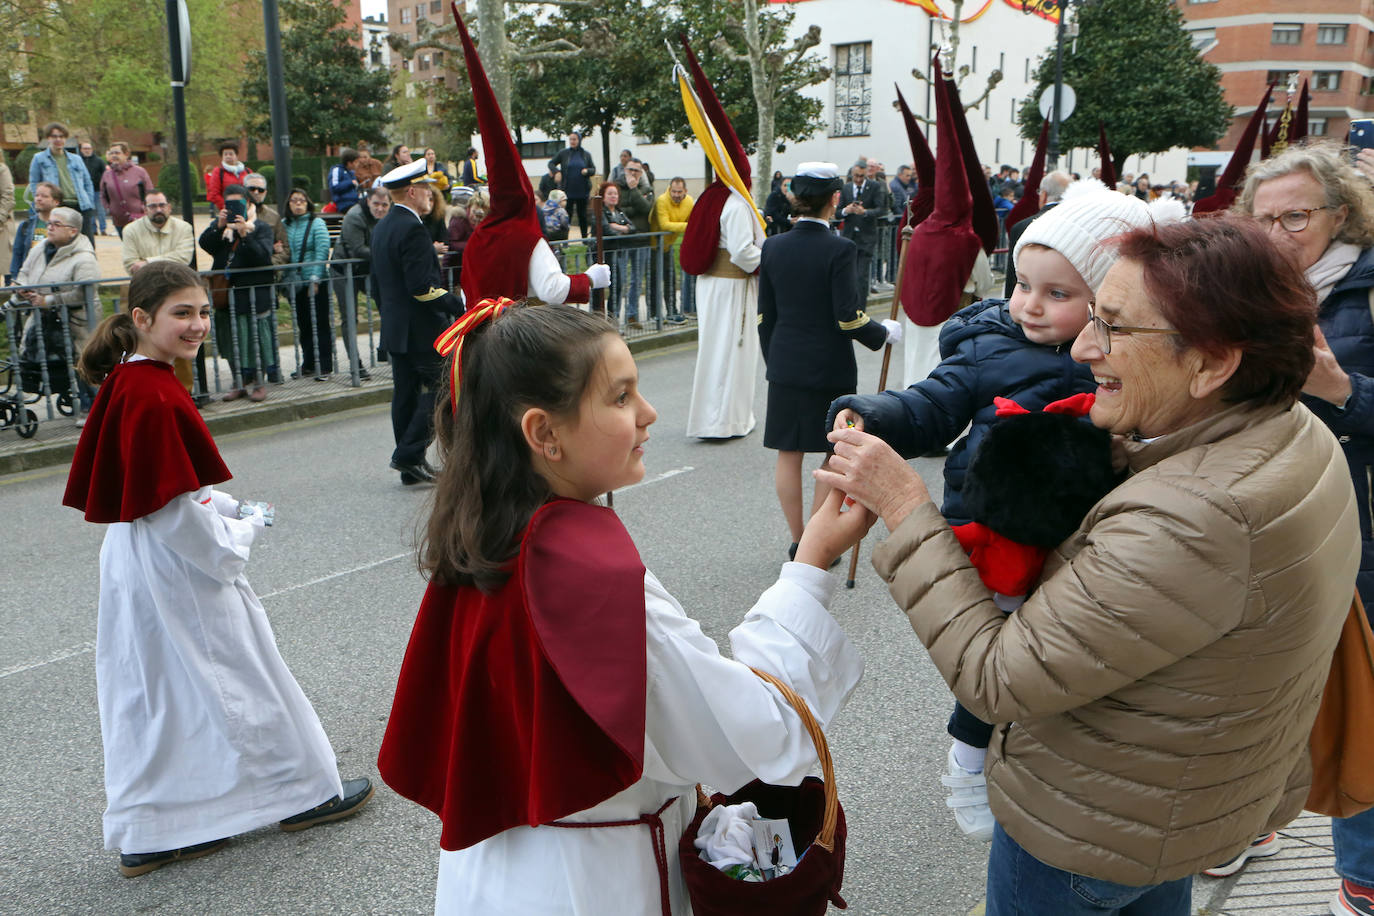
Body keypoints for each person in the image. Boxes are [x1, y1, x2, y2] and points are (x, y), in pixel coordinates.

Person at [821, 214, 1360, 915]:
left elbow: (997, 677)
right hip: (1175, 803)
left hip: (1088, 824)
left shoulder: (1193, 516)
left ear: (1213, 363)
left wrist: (904, 506)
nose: (1083, 347)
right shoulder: (1294, 430)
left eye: (1113, 327)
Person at [376, 298, 871, 914]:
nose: (648, 413)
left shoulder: (481, 539)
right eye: (619, 397)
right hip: (596, 884)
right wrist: (809, 565)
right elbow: (753, 734)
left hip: (495, 877)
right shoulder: (591, 581)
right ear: (543, 433)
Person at [829, 187, 1173, 842]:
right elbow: (931, 404)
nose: (1030, 306)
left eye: (1057, 294)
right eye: (1022, 285)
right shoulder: (986, 348)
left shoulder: (1122, 356)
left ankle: (1039, 749)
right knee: (1004, 651)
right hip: (994, 524)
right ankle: (968, 755)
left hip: (1079, 531)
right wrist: (877, 415)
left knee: (1071, 650)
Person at [61, 261, 373, 878]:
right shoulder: (150, 391)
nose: (198, 324)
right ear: (143, 319)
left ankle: (155, 830)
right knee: (241, 673)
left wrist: (236, 506)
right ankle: (303, 793)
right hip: (176, 562)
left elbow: (171, 489)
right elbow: (180, 514)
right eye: (182, 313)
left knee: (158, 694)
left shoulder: (133, 378)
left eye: (203, 312)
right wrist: (244, 528)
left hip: (140, 555)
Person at [1236, 141, 1374, 914]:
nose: (1278, 234)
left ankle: (1362, 881)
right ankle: (1242, 830)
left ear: (1341, 215)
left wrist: (1342, 387)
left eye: (1296, 216)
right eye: (1264, 220)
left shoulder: (1367, 292)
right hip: (1261, 523)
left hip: (1356, 530)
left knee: (1362, 701)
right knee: (1255, 692)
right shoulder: (1245, 287)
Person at [758, 163, 899, 558]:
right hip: (828, 365)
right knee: (831, 452)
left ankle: (797, 537)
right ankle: (817, 543)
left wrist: (777, 360)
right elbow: (847, 316)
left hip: (785, 363)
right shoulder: (840, 248)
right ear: (835, 199)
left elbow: (764, 318)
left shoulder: (773, 246)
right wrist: (882, 332)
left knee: (789, 452)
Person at [371, 160, 465, 485]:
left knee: (406, 394)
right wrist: (460, 305)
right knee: (446, 388)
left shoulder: (383, 226)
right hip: (421, 329)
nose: (431, 194)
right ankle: (409, 454)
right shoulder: (412, 229)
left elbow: (377, 285)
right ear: (412, 191)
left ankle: (409, 467)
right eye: (427, 188)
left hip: (397, 328)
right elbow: (422, 289)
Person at [199, 183, 278, 401]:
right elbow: (205, 244)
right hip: (227, 295)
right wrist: (219, 225)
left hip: (254, 293)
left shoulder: (259, 228)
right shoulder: (222, 229)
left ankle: (259, 384)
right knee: (231, 340)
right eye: (229, 204)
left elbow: (262, 257)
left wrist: (245, 234)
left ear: (249, 203)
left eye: (239, 203)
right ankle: (239, 382)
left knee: (255, 339)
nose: (234, 209)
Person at [331, 183, 389, 381]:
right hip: (343, 270)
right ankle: (355, 364)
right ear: (368, 201)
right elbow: (358, 249)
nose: (380, 208)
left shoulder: (387, 217)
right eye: (376, 204)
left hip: (367, 270)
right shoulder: (354, 216)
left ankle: (389, 351)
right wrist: (389, 253)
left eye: (384, 205)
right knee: (350, 317)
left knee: (388, 305)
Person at [281, 187, 334, 380]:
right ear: (288, 204)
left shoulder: (316, 223)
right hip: (295, 283)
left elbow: (321, 250)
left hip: (315, 280)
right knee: (303, 324)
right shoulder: (284, 224)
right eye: (294, 200)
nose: (298, 204)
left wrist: (315, 278)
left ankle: (325, 365)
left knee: (320, 323)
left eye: (302, 200)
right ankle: (309, 363)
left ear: (308, 203)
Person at [1002, 170, 1070, 298]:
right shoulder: (1081, 227)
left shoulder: (1022, 227)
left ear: (1043, 195)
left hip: (1028, 300)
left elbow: (1013, 277)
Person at [27, 122, 96, 245]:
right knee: (60, 243)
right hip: (57, 206)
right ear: (48, 138)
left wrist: (89, 201)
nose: (58, 139)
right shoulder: (39, 159)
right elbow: (34, 184)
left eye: (62, 136)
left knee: (86, 243)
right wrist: (42, 200)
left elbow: (87, 183)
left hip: (80, 206)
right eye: (54, 136)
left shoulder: (76, 159)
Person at [615, 159, 653, 327]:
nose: (634, 173)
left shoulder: (646, 188)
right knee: (619, 279)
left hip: (641, 240)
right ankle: (614, 316)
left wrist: (633, 190)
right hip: (622, 241)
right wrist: (633, 207)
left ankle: (632, 315)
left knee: (636, 281)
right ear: (625, 170)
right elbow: (618, 210)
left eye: (637, 171)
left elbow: (646, 209)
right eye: (631, 170)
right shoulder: (615, 187)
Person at [650, 177, 694, 320]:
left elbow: (692, 220)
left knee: (670, 279)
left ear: (685, 191)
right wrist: (688, 227)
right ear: (669, 189)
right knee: (654, 280)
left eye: (679, 192)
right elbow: (665, 225)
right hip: (652, 245)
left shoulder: (689, 201)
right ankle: (654, 314)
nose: (675, 194)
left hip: (668, 245)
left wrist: (689, 226)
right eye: (673, 191)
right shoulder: (662, 200)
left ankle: (672, 311)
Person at [120, 190, 194, 274]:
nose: (158, 210)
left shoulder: (184, 228)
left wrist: (147, 262)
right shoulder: (131, 230)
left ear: (169, 208)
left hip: (177, 280)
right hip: (146, 282)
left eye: (162, 205)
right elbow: (131, 266)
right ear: (145, 210)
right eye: (153, 206)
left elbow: (183, 258)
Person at [838, 164, 882, 301]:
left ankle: (861, 309)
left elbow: (881, 209)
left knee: (861, 276)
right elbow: (838, 212)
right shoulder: (846, 188)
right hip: (849, 237)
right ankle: (848, 307)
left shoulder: (874, 186)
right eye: (855, 176)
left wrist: (865, 212)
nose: (858, 179)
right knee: (848, 275)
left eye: (861, 176)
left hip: (866, 238)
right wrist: (847, 210)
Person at [99, 142, 153, 239]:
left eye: (117, 153)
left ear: (126, 154)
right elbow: (103, 194)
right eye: (112, 153)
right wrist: (109, 209)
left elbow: (149, 192)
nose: (114, 156)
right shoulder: (107, 175)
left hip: (140, 219)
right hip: (119, 220)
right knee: (128, 249)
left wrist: (144, 208)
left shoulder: (139, 172)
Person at [10, 181, 61, 280]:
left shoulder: (64, 226)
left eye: (44, 196)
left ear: (56, 202)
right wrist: (15, 278)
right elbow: (17, 254)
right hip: (30, 278)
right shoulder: (25, 226)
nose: (38, 199)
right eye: (37, 195)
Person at [599, 182, 634, 325]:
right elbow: (607, 230)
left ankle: (613, 319)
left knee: (618, 286)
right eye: (610, 194)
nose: (613, 197)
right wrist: (621, 229)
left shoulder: (619, 212)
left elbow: (633, 227)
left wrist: (618, 227)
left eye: (615, 194)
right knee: (599, 289)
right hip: (602, 255)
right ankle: (598, 320)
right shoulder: (600, 211)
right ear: (603, 197)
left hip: (616, 255)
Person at [548, 131, 596, 236]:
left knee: (582, 216)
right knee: (566, 215)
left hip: (582, 191)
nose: (572, 141)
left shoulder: (585, 154)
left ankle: (584, 239)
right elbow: (551, 163)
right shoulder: (564, 153)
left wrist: (587, 171)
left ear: (579, 140)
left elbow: (593, 169)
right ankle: (566, 239)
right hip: (568, 191)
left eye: (574, 139)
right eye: (570, 139)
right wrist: (557, 172)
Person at [205, 143, 248, 214]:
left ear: (236, 156)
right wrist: (227, 207)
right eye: (225, 154)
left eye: (231, 154)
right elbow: (214, 193)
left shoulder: (247, 171)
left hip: (246, 209)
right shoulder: (218, 172)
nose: (228, 156)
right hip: (228, 210)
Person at [78, 141, 108, 236]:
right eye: (85, 148)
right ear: (81, 150)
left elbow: (105, 175)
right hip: (84, 191)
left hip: (97, 190)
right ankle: (93, 229)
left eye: (89, 148)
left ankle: (103, 229)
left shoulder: (98, 161)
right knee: (89, 211)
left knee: (101, 210)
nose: (87, 150)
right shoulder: (78, 161)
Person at [327, 148, 361, 214]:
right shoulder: (337, 170)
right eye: (356, 162)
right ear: (349, 163)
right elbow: (334, 187)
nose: (358, 164)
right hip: (344, 204)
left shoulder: (351, 173)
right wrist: (350, 183)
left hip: (355, 202)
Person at [0, 155, 14, 284]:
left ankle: (9, 290)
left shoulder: (2, 169)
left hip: (1, 223)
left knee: (5, 261)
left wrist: (1, 216)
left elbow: (8, 195)